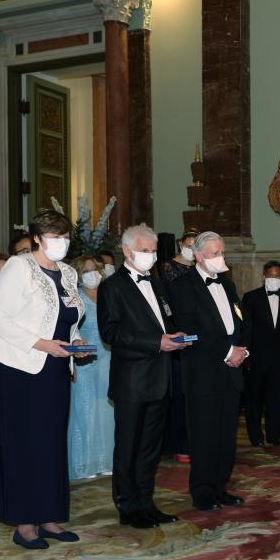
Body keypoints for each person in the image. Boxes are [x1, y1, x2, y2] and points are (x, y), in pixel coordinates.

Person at [0, 209, 84, 550]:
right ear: (38, 239)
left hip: (56, 369)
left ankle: (50, 517)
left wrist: (77, 342)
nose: (61, 243)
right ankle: (25, 524)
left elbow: (68, 319)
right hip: (21, 369)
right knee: (24, 445)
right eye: (54, 237)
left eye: (65, 237)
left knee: (52, 444)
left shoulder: (68, 272)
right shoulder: (19, 266)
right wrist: (42, 344)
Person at [99, 225, 186, 526]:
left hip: (160, 378)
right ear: (127, 251)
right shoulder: (112, 287)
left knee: (150, 449)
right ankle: (127, 506)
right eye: (144, 250)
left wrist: (175, 334)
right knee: (129, 447)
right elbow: (111, 332)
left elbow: (163, 320)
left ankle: (146, 502)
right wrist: (155, 343)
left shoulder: (158, 284)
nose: (150, 256)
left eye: (153, 251)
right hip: (132, 381)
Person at [171, 231, 250, 511]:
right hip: (203, 372)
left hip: (231, 372)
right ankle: (202, 491)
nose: (221, 258)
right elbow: (193, 329)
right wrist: (228, 352)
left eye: (222, 252)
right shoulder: (183, 286)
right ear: (200, 256)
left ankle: (220, 487)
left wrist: (242, 350)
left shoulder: (227, 286)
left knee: (226, 435)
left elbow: (241, 321)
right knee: (204, 434)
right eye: (216, 254)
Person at [68, 256, 115, 481]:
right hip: (83, 357)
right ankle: (82, 463)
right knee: (84, 410)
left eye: (95, 269)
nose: (91, 273)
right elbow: (67, 329)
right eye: (85, 270)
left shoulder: (108, 294)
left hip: (108, 356)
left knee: (106, 410)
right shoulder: (73, 298)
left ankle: (105, 459)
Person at [241, 260, 280, 446]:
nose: (274, 279)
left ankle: (275, 436)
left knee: (276, 399)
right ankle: (256, 437)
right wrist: (245, 354)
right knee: (254, 400)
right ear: (264, 276)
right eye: (270, 275)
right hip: (256, 357)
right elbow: (246, 328)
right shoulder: (251, 298)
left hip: (279, 358)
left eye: (277, 276)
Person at [159, 231, 197, 463]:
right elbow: (166, 303)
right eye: (188, 245)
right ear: (180, 245)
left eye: (196, 245)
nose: (191, 249)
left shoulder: (199, 269)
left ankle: (193, 442)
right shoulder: (167, 269)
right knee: (179, 392)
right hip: (176, 332)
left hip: (197, 334)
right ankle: (177, 443)